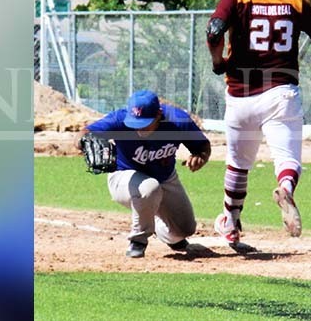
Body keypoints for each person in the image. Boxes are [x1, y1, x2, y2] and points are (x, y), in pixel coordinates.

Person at [206, 0, 311, 244]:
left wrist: (217, 62)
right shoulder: (294, 2)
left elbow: (214, 31)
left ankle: (231, 222)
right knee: (287, 160)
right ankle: (285, 188)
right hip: (281, 92)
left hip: (240, 94)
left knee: (238, 163)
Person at [76, 90, 211, 258]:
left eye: (145, 122)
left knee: (185, 228)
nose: (138, 127)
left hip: (166, 178)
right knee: (149, 187)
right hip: (123, 178)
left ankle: (164, 232)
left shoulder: (178, 120)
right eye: (135, 122)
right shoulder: (120, 118)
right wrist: (84, 142)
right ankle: (138, 240)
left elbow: (203, 146)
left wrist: (200, 157)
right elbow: (83, 134)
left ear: (158, 114)